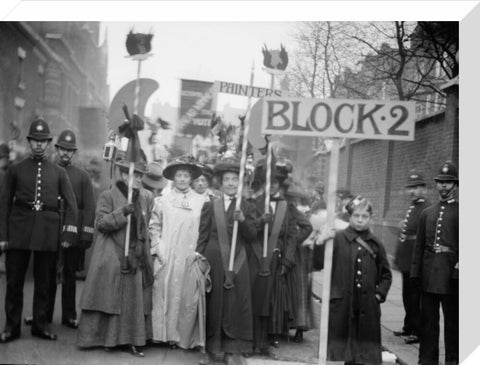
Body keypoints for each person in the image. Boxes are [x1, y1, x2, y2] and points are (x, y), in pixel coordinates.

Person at [0, 118, 78, 343]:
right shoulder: (15, 170)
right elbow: (4, 205)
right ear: (29, 141)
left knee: (45, 283)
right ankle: (11, 327)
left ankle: (40, 325)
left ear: (48, 143)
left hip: (47, 234)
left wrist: (67, 235)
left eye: (43, 141)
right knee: (14, 282)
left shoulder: (58, 172)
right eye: (35, 140)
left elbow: (72, 206)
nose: (39, 145)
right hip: (19, 232)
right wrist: (3, 237)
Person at [77, 159, 154, 357]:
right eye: (134, 174)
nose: (138, 179)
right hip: (112, 254)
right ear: (123, 174)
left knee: (131, 300)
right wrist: (122, 213)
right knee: (111, 298)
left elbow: (143, 228)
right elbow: (101, 223)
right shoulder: (108, 195)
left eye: (140, 175)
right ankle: (106, 339)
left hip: (135, 257)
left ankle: (131, 340)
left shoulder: (143, 198)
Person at [23, 130, 96, 329]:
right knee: (46, 274)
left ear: (74, 153)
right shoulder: (48, 171)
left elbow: (89, 207)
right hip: (50, 230)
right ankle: (42, 315)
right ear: (56, 149)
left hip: (72, 231)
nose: (65, 153)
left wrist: (85, 234)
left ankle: (69, 315)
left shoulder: (82, 177)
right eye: (62, 149)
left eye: (69, 150)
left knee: (70, 275)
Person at [312, 195, 392, 365]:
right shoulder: (338, 239)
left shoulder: (375, 244)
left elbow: (386, 274)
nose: (360, 220)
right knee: (344, 352)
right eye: (357, 216)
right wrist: (321, 240)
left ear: (370, 218)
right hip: (343, 304)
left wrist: (378, 295)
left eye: (365, 216)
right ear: (350, 217)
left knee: (363, 355)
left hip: (367, 306)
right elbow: (317, 263)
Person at [196, 156, 257, 365]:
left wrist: (243, 221)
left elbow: (252, 236)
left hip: (238, 263)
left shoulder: (247, 207)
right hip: (214, 259)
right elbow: (202, 236)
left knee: (235, 304)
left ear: (239, 183)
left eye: (234, 180)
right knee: (214, 304)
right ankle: (213, 348)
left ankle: (233, 350)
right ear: (220, 183)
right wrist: (199, 260)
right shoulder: (210, 205)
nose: (230, 183)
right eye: (227, 180)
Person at [149, 155, 208, 348]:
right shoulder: (162, 201)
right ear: (173, 178)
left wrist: (199, 254)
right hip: (168, 253)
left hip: (189, 254)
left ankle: (183, 337)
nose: (182, 179)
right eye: (179, 175)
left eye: (186, 175)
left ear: (191, 178)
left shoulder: (201, 201)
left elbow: (204, 229)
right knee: (164, 292)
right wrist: (158, 247)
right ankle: (162, 335)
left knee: (186, 296)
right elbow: (154, 226)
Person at [411, 161, 459, 365]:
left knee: (452, 323)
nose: (444, 187)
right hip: (429, 275)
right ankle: (427, 360)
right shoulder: (427, 213)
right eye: (440, 182)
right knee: (429, 322)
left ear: (455, 185)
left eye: (448, 183)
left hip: (451, 276)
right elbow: (419, 247)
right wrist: (416, 273)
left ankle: (453, 360)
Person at [249, 160, 297, 354]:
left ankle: (267, 340)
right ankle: (252, 340)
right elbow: (249, 231)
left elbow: (293, 235)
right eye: (270, 180)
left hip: (276, 259)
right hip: (255, 257)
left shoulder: (287, 206)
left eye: (277, 181)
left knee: (271, 301)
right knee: (255, 299)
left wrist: (288, 260)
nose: (273, 184)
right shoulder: (253, 204)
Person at [393, 170, 430, 344]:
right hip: (407, 259)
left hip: (416, 261)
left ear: (424, 188)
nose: (412, 191)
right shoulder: (414, 207)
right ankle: (408, 326)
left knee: (415, 297)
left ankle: (417, 331)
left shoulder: (426, 208)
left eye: (416, 187)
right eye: (410, 188)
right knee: (407, 295)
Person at [283, 182, 313, 343]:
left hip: (296, 256)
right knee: (287, 290)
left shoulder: (291, 209)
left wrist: (295, 241)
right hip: (283, 252)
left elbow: (307, 227)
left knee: (299, 290)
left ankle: (300, 328)